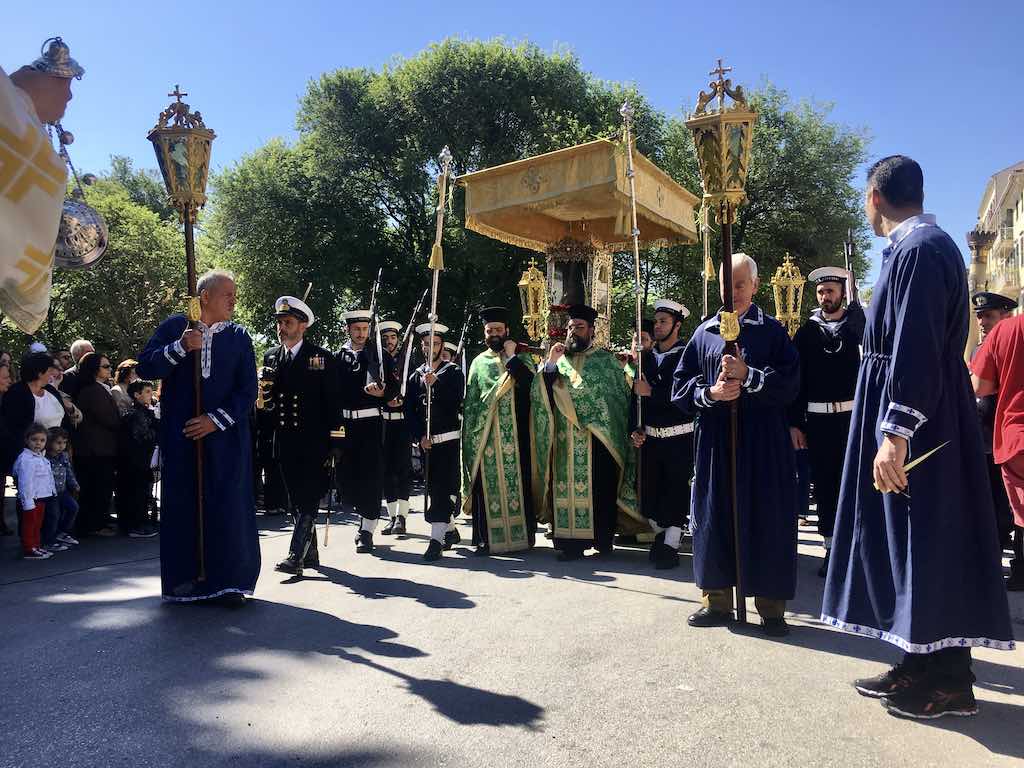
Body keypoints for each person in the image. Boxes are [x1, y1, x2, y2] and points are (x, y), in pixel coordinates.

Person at [821, 155, 1014, 719]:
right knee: (907, 543)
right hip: (909, 408)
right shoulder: (913, 249)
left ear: (875, 197)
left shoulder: (924, 250)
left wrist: (896, 432)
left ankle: (951, 681)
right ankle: (917, 660)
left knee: (932, 542)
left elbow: (919, 345)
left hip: (921, 417)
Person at [672, 255, 800, 636]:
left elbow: (791, 384)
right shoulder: (705, 332)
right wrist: (710, 393)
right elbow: (681, 387)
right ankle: (716, 600)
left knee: (767, 519)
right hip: (716, 441)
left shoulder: (773, 332)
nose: (734, 292)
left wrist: (750, 376)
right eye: (728, 285)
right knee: (716, 517)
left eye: (741, 284)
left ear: (756, 286)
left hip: (764, 443)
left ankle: (771, 607)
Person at [136, 269, 259, 605]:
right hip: (183, 439)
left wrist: (214, 420)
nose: (234, 300)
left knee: (227, 505)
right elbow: (146, 367)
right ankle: (186, 580)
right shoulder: (176, 327)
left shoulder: (239, 337)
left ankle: (231, 583)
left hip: (225, 439)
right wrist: (180, 347)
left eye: (235, 294)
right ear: (205, 296)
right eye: (227, 294)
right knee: (184, 505)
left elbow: (248, 391)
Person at [531, 304, 641, 561]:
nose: (573, 333)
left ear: (592, 330)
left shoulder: (606, 361)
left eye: (579, 328)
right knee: (566, 488)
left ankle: (602, 539)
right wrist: (550, 366)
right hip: (565, 439)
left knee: (601, 487)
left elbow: (618, 398)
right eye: (570, 328)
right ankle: (570, 544)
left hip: (599, 440)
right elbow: (541, 395)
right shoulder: (558, 361)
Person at [1, 38, 83, 334]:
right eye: (67, 84)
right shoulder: (12, 109)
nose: (70, 97)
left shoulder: (20, 114)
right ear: (51, 79)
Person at [789, 267, 865, 577]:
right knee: (824, 486)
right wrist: (795, 423)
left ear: (843, 293)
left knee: (857, 484)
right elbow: (796, 382)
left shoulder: (858, 326)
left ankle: (857, 547)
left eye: (831, 290)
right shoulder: (806, 333)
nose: (825, 296)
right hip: (818, 422)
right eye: (821, 292)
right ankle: (831, 547)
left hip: (852, 419)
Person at [265, 296, 341, 577]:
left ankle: (295, 554)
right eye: (280, 323)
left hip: (314, 441)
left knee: (308, 496)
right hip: (284, 438)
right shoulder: (272, 356)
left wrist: (337, 442)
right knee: (295, 497)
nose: (282, 328)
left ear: (303, 325)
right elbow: (268, 403)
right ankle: (311, 554)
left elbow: (334, 404)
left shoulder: (320, 357)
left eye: (288, 323)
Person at [462, 307, 536, 556]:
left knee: (520, 484)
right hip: (487, 435)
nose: (494, 334)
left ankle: (522, 538)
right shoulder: (478, 363)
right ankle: (485, 540)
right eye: (489, 330)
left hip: (517, 436)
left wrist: (512, 357)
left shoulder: (522, 358)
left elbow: (532, 388)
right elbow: (473, 403)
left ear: (507, 331)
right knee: (486, 488)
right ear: (484, 333)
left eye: (498, 330)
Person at [630, 299, 694, 569]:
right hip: (652, 438)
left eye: (663, 322)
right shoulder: (645, 357)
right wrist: (635, 427)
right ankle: (660, 534)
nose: (657, 326)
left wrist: (652, 393)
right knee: (648, 492)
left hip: (679, 437)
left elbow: (685, 397)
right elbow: (635, 398)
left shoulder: (688, 355)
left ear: (677, 326)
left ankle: (671, 543)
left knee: (676, 491)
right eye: (655, 321)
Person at [971, 300, 1024, 591]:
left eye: (987, 316)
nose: (982, 322)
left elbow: (979, 387)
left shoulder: (1006, 332)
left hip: (1013, 438)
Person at [336, 309, 396, 555]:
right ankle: (362, 519)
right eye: (357, 329)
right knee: (348, 480)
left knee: (371, 479)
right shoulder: (337, 356)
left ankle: (366, 531)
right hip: (345, 426)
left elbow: (394, 388)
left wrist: (383, 394)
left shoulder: (380, 355)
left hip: (371, 425)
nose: (361, 334)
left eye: (365, 329)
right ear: (348, 330)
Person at [406, 322, 465, 560]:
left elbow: (456, 401)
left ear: (442, 346)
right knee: (433, 490)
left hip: (449, 442)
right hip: (428, 444)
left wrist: (436, 385)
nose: (432, 347)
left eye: (436, 344)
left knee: (443, 490)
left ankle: (435, 541)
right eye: (427, 343)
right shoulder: (414, 377)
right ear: (422, 345)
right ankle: (449, 531)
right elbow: (410, 412)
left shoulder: (453, 372)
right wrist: (419, 436)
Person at [73, 352, 120, 536]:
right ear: (94, 369)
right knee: (95, 488)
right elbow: (109, 419)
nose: (109, 369)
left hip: (100, 448)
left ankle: (97, 522)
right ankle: (93, 525)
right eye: (105, 366)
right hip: (94, 449)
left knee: (100, 487)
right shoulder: (92, 391)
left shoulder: (99, 388)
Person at [379, 320, 413, 536]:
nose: (390, 342)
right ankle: (391, 517)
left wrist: (404, 400)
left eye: (393, 338)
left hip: (402, 421)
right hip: (383, 421)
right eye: (385, 339)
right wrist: (385, 401)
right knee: (386, 470)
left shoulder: (407, 360)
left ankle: (402, 516)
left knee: (402, 469)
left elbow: (415, 387)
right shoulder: (376, 360)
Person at [115, 379, 159, 538]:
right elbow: (143, 437)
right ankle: (134, 525)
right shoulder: (135, 415)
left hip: (141, 461)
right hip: (134, 462)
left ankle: (139, 522)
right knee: (134, 494)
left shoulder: (145, 412)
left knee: (141, 493)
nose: (150, 395)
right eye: (147, 391)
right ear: (136, 394)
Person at [12, 423, 56, 559]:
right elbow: (25, 482)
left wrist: (52, 491)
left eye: (42, 440)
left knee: (37, 524)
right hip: (31, 499)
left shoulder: (41, 458)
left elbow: (48, 477)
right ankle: (29, 548)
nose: (38, 443)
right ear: (27, 440)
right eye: (34, 439)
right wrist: (27, 501)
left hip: (41, 497)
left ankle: (36, 546)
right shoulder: (26, 459)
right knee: (29, 525)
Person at [42, 427, 79, 549]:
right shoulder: (44, 458)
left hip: (62, 490)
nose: (61, 446)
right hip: (50, 493)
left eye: (64, 442)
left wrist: (74, 484)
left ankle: (62, 532)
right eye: (58, 443)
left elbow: (69, 472)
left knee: (73, 507)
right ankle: (49, 540)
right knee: (53, 515)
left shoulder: (64, 456)